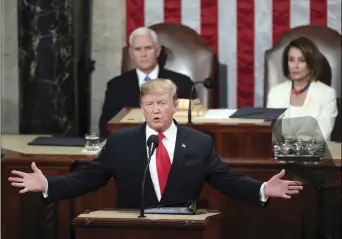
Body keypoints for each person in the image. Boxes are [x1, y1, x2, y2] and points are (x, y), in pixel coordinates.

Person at [9, 79, 302, 209]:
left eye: (162, 103)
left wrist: (262, 188)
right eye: (149, 104)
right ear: (142, 107)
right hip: (130, 231)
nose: (156, 110)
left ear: (175, 105)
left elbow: (228, 180)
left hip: (184, 231)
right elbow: (87, 179)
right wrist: (48, 184)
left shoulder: (199, 143)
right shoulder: (121, 142)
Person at [98, 26, 196, 137]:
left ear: (158, 51)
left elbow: (191, 126)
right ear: (131, 53)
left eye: (148, 48)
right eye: (138, 49)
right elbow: (105, 126)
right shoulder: (115, 86)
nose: (143, 54)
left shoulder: (181, 83)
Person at [267, 37, 338, 141]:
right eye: (291, 60)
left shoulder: (327, 94)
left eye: (301, 60)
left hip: (313, 155)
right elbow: (272, 134)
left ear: (311, 63)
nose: (295, 66)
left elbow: (321, 136)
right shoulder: (275, 93)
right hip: (280, 155)